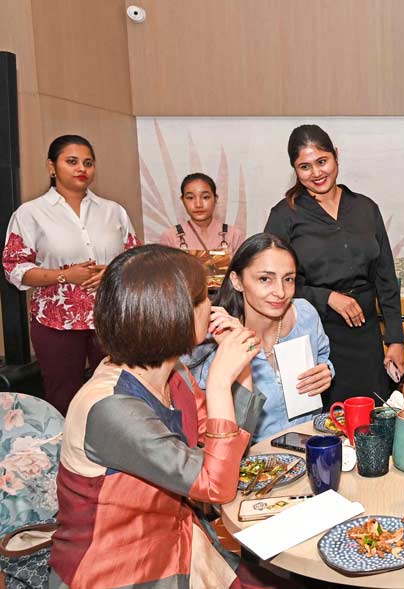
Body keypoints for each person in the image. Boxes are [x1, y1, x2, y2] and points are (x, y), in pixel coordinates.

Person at [50, 245, 288, 589]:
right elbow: (215, 486)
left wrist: (240, 365)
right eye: (203, 297)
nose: (213, 305)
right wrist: (220, 380)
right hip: (122, 569)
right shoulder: (110, 407)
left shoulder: (172, 374)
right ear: (172, 313)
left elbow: (224, 446)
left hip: (180, 545)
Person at [264, 125, 404, 405]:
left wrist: (396, 339)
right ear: (295, 169)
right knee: (325, 423)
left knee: (374, 417)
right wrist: (328, 298)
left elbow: (386, 279)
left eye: (322, 161)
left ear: (336, 156)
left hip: (366, 337)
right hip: (314, 335)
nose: (316, 173)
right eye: (305, 166)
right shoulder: (285, 215)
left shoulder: (365, 208)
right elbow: (270, 283)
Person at [3, 135, 139, 416]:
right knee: (64, 398)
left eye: (88, 163)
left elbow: (135, 259)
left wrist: (112, 272)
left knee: (117, 392)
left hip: (110, 317)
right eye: (72, 161)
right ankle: (67, 456)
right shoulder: (31, 213)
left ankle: (113, 455)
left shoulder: (113, 211)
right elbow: (14, 268)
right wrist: (66, 276)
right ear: (51, 167)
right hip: (56, 322)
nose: (82, 169)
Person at [194, 233, 334, 443]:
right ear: (237, 281)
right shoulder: (214, 338)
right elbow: (210, 433)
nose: (280, 292)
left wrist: (326, 371)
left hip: (308, 447)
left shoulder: (305, 315)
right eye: (265, 279)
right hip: (251, 463)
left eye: (288, 279)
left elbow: (323, 355)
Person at [158, 172, 245, 252]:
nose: (198, 204)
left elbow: (242, 268)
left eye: (205, 197)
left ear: (215, 199)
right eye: (190, 198)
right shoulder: (170, 237)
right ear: (183, 200)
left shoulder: (234, 235)